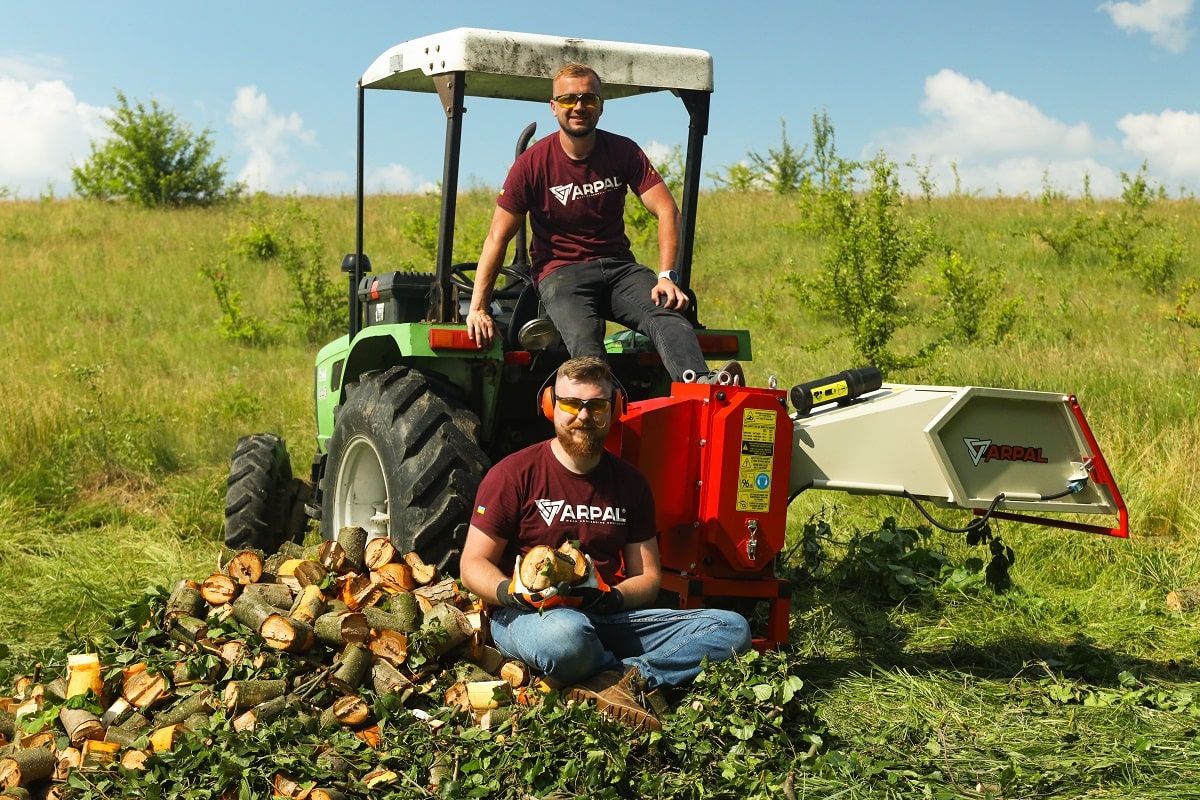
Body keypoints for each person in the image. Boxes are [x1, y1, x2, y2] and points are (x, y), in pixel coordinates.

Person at [459, 356, 752, 730]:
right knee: (567, 638)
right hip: (533, 618)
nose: (583, 416)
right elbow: (472, 564)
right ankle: (617, 676)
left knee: (731, 628)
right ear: (551, 406)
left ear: (614, 409)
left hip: (607, 615)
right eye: (571, 404)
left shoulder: (630, 483)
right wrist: (510, 592)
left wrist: (611, 597)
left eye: (596, 406)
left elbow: (647, 578)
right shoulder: (513, 473)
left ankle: (626, 678)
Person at [464, 62, 741, 385]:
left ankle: (701, 387)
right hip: (561, 273)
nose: (578, 107)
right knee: (586, 343)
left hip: (619, 268)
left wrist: (667, 277)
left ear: (601, 106)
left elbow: (667, 209)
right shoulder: (532, 164)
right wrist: (478, 308)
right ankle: (598, 412)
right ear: (554, 107)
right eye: (568, 100)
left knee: (667, 315)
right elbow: (498, 236)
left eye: (588, 99)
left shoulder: (623, 151)